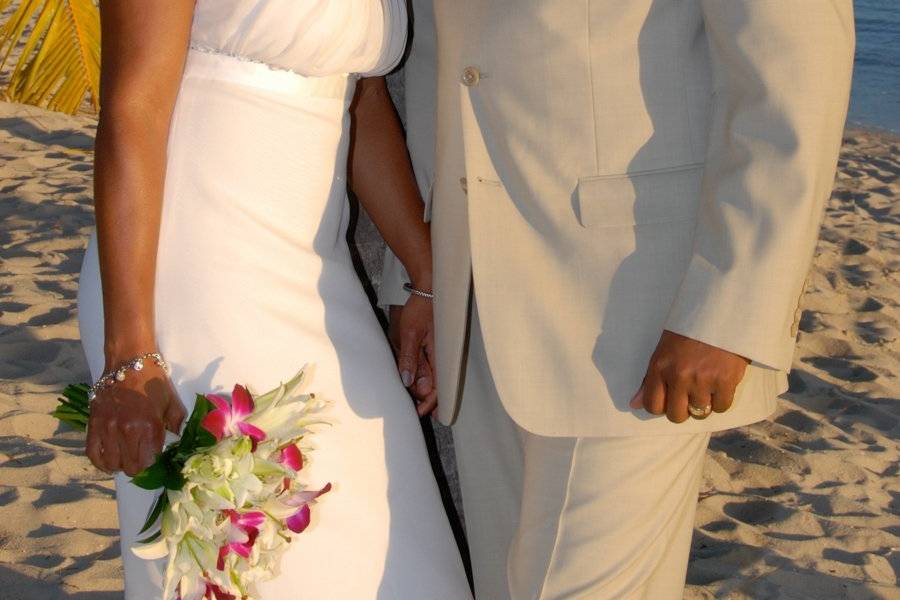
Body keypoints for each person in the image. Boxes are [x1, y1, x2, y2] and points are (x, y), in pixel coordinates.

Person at [381, 1, 855, 598]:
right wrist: (421, 275)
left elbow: (797, 73)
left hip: (643, 313)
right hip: (475, 306)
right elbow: (439, 67)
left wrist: (728, 314)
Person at [76, 1, 471, 598]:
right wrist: (129, 357)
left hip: (317, 279)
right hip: (200, 279)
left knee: (403, 565)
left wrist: (427, 276)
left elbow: (358, 96)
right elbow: (133, 110)